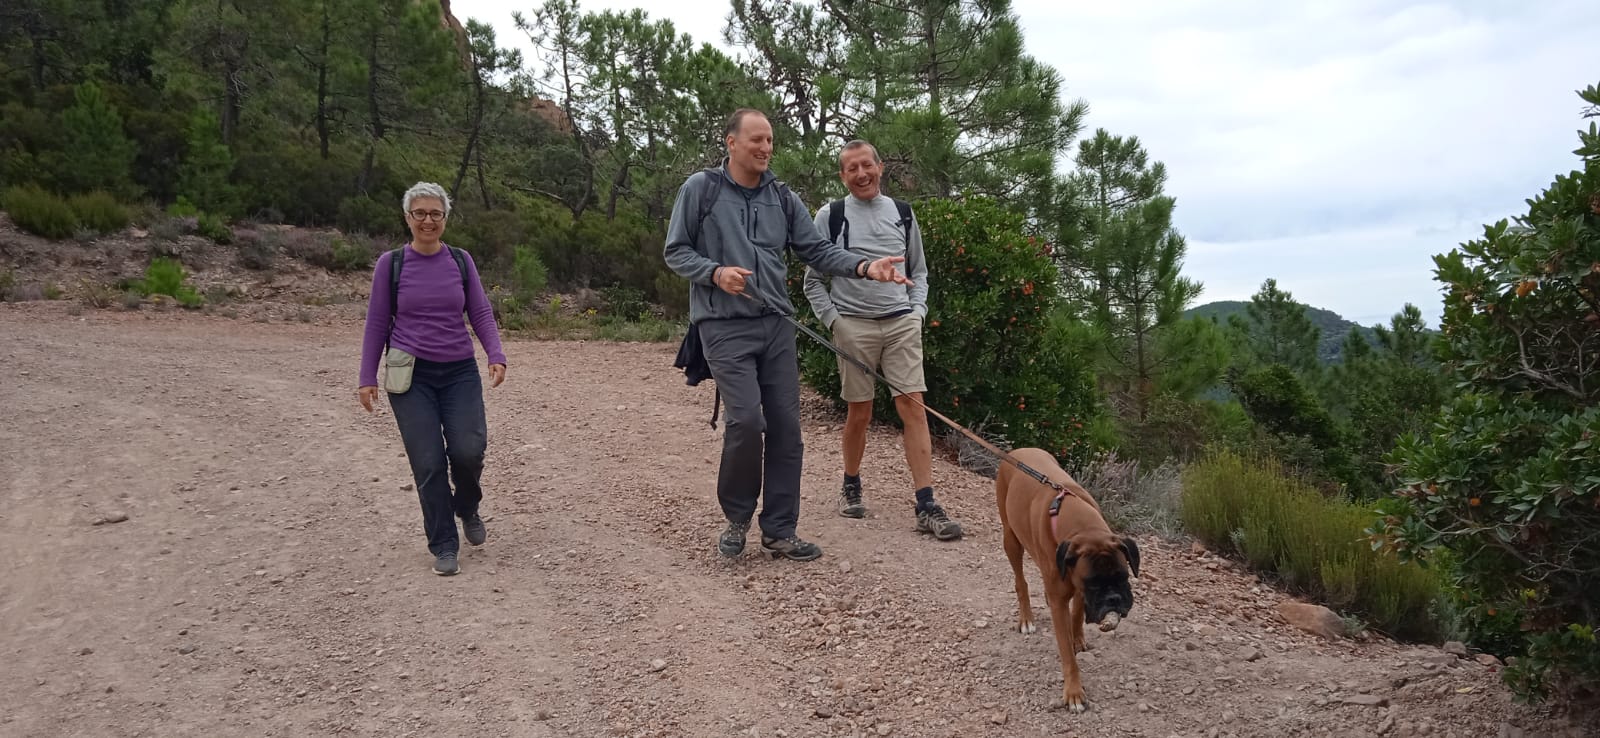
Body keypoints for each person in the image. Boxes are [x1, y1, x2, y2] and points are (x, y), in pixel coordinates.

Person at [664, 108, 913, 562]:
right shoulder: (701, 189)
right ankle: (737, 518)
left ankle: (780, 530)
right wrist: (715, 273)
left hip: (777, 324)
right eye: (756, 139)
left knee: (786, 429)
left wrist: (864, 267)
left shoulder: (781, 196)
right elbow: (676, 251)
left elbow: (817, 250)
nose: (765, 148)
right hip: (722, 326)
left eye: (770, 141)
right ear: (731, 142)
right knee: (746, 421)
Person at [802, 140, 963, 541]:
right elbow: (813, 280)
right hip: (852, 324)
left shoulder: (902, 213)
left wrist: (916, 312)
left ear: (880, 166)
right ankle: (851, 483)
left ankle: (926, 503)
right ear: (842, 176)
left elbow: (919, 271)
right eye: (852, 169)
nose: (861, 174)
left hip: (900, 323)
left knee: (914, 409)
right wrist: (835, 322)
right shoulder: (830, 216)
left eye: (866, 166)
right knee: (860, 412)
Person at [357, 181, 507, 576]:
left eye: (435, 213)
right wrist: (366, 376)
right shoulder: (391, 264)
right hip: (411, 377)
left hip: (459, 371)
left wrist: (495, 353)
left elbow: (480, 311)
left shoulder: (460, 260)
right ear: (408, 217)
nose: (428, 220)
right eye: (420, 213)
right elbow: (376, 322)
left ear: (445, 218)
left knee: (469, 450)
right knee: (428, 463)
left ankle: (467, 506)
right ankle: (443, 543)